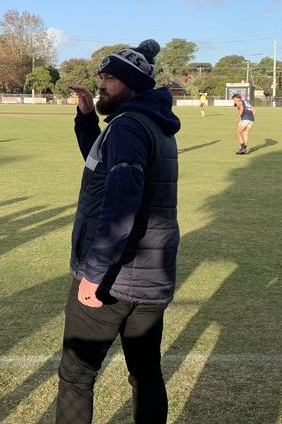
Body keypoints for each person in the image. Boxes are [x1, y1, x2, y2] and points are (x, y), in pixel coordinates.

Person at [58, 40, 180, 424]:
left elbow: (122, 200)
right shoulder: (150, 123)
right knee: (145, 373)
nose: (101, 85)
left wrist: (94, 273)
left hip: (113, 278)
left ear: (132, 84)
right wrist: (86, 118)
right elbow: (103, 165)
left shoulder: (128, 126)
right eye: (102, 77)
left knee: (76, 376)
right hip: (150, 279)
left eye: (110, 78)